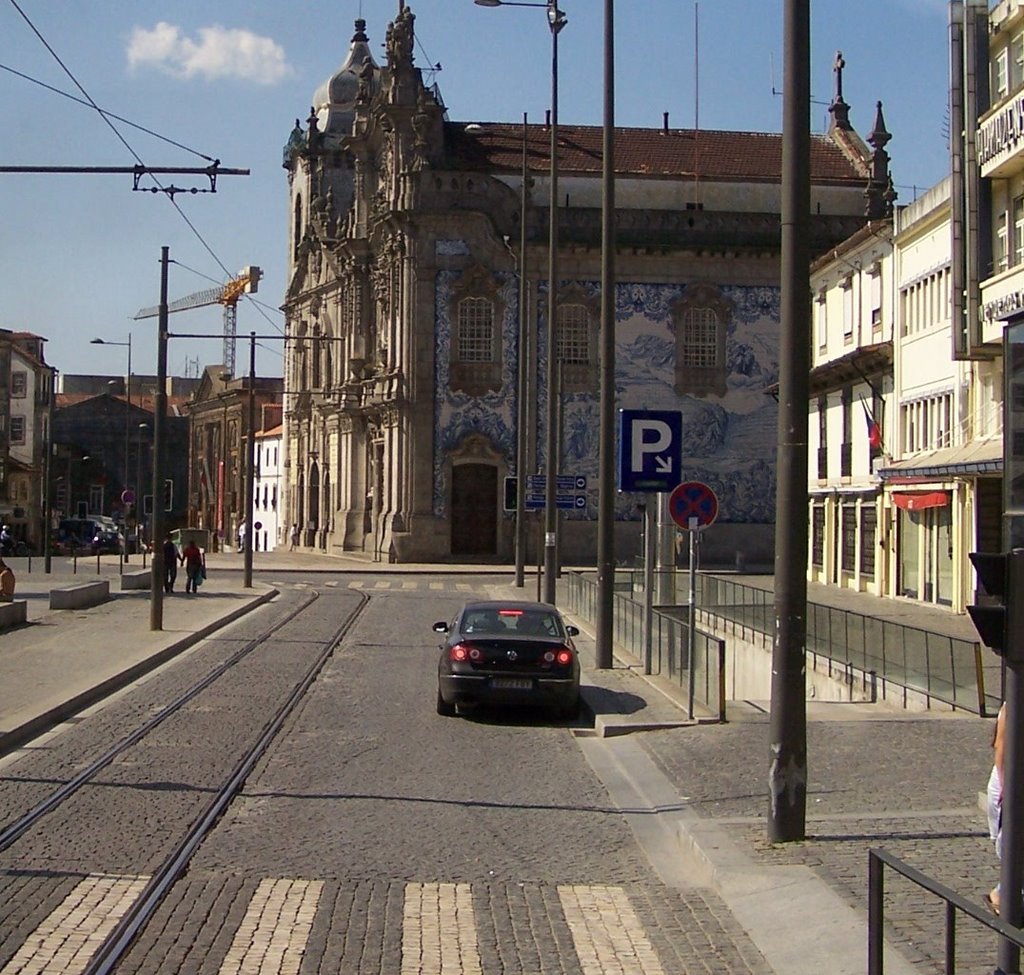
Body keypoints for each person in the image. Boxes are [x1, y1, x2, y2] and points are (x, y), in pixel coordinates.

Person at [987, 702, 1007, 915]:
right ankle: (1001, 896)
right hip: (1008, 786)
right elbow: (1001, 750)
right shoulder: (1014, 704)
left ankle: (1002, 894)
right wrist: (1007, 789)